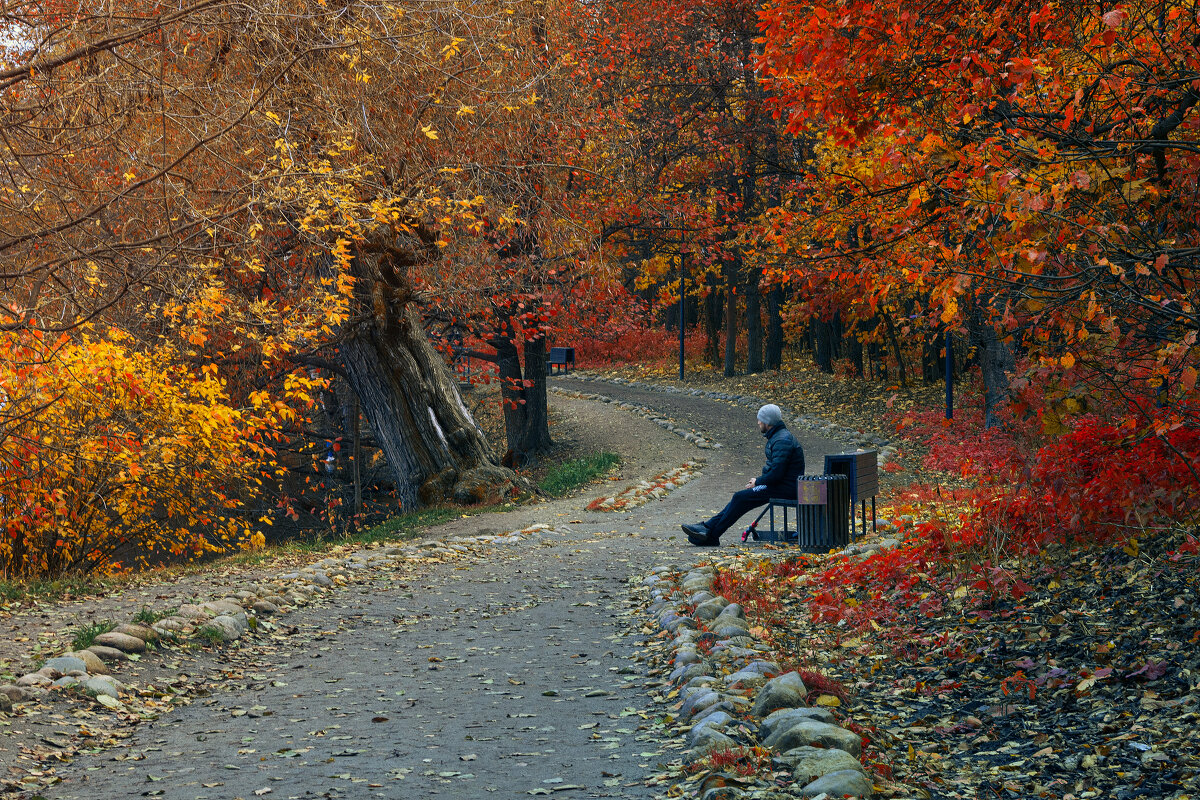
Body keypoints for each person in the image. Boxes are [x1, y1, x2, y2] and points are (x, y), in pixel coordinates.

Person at [681, 404, 805, 546]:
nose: (758, 422)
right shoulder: (779, 437)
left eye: (760, 420)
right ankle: (708, 530)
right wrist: (759, 482)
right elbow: (776, 472)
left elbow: (777, 474)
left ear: (767, 422)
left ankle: (710, 533)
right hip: (780, 486)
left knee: (740, 497)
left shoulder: (782, 440)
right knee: (740, 498)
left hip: (785, 488)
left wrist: (757, 482)